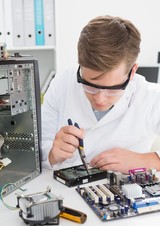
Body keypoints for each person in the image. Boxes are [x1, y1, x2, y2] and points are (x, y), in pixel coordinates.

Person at [41, 15, 160, 174]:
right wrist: (52, 154)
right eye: (90, 86)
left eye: (113, 89)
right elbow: (38, 148)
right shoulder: (62, 84)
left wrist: (147, 160)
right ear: (81, 67)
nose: (100, 99)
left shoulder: (152, 97)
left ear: (132, 72)